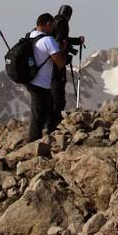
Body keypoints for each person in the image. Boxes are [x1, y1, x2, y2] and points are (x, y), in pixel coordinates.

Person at [26, 12, 66, 141]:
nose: (53, 28)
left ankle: (49, 134)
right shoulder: (48, 40)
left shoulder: (30, 36)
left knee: (46, 111)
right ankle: (33, 143)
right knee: (38, 115)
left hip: (30, 79)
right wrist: (63, 49)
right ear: (48, 24)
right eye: (52, 25)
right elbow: (60, 62)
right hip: (41, 82)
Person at [52, 4, 85, 119]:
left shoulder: (53, 21)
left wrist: (75, 42)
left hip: (49, 60)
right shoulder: (63, 23)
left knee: (53, 88)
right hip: (57, 62)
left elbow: (60, 39)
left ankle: (51, 117)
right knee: (59, 89)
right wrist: (65, 54)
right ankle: (55, 118)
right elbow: (61, 41)